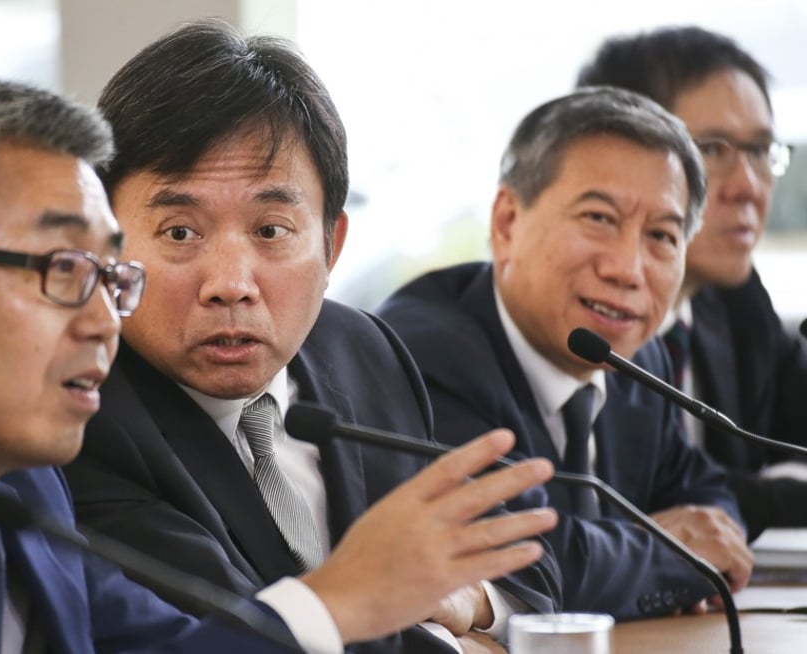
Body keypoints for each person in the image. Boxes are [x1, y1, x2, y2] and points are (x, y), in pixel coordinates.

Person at [0, 69, 560, 653]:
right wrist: (342, 599)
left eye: (106, 277)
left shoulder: (19, 485)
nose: (100, 320)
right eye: (61, 271)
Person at [62, 19, 561, 653]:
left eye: (271, 231)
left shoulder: (363, 352)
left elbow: (519, 559)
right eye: (181, 232)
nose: (230, 284)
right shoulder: (85, 418)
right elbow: (234, 638)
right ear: (108, 243)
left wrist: (468, 599)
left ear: (331, 246)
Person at [376, 86, 754, 621]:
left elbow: (707, 501)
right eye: (599, 218)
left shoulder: (639, 361)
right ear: (507, 223)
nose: (627, 268)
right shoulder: (423, 353)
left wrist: (696, 539)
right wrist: (675, 554)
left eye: (662, 236)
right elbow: (511, 556)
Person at [576, 25, 807, 541]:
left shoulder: (735, 301)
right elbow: (633, 509)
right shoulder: (579, 313)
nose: (748, 186)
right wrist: (770, 491)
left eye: (761, 151)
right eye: (714, 149)